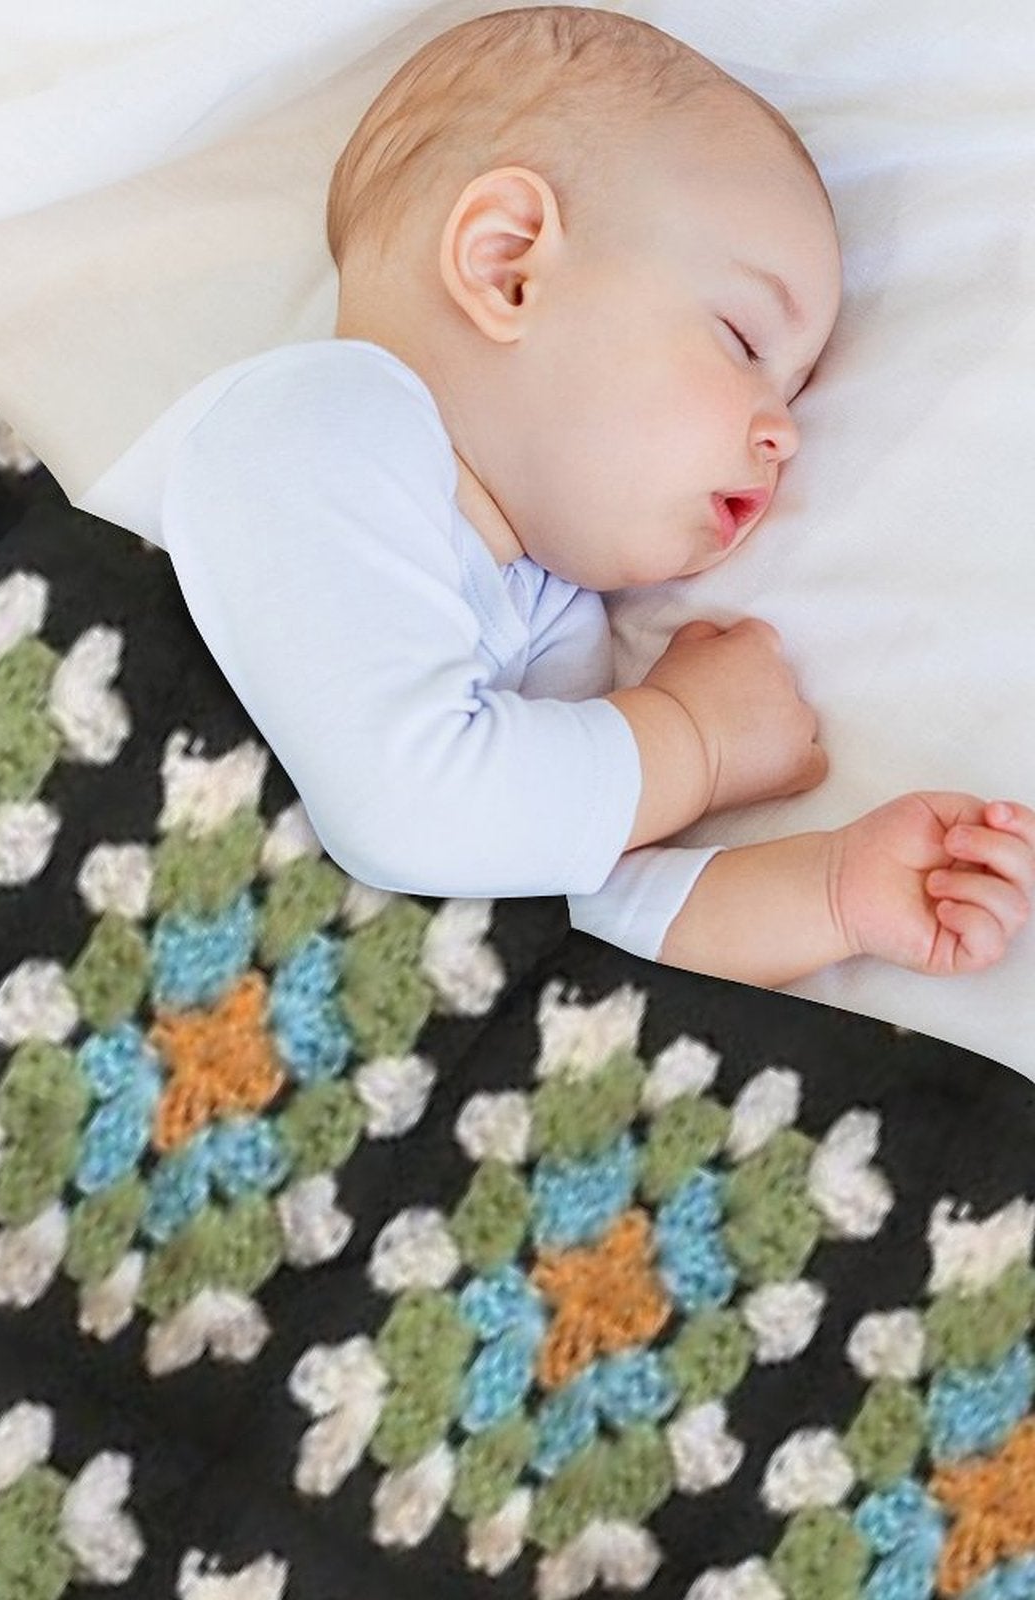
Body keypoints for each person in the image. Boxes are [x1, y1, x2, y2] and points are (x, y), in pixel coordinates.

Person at [95, 6, 1034, 988]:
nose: (783, 431)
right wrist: (693, 741)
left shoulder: (545, 614)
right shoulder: (313, 423)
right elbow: (412, 808)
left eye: (794, 391)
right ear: (506, 268)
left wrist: (835, 892)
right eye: (745, 343)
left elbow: (560, 907)